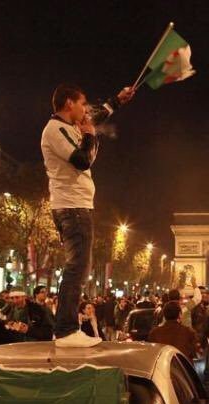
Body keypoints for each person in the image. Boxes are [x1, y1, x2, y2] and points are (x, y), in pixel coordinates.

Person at [41, 82, 134, 347]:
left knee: (80, 267)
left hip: (76, 205)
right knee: (77, 268)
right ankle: (67, 330)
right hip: (72, 206)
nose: (86, 109)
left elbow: (96, 115)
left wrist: (118, 100)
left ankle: (67, 329)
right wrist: (91, 135)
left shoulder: (69, 126)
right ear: (69, 103)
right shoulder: (55, 130)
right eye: (82, 103)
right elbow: (83, 160)